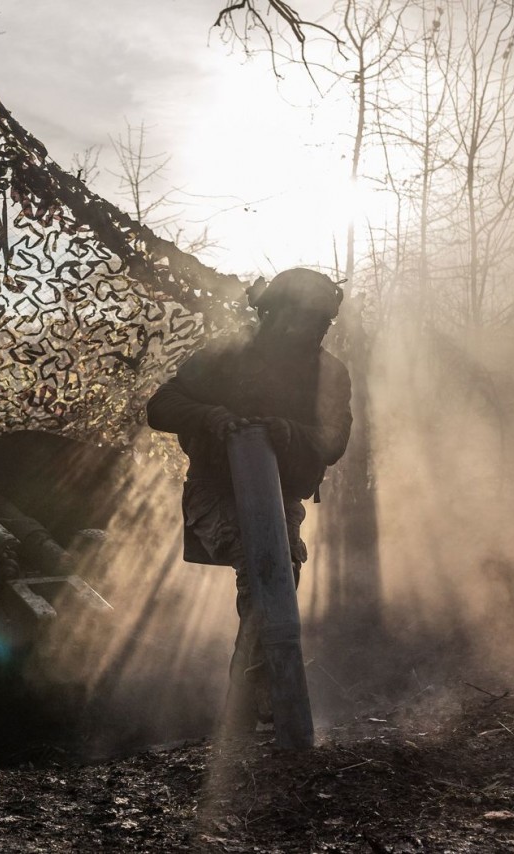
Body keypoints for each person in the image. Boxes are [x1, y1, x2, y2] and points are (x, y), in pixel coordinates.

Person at [146, 267, 353, 732]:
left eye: (324, 322)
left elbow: (334, 439)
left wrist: (289, 433)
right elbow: (159, 407)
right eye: (307, 319)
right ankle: (258, 695)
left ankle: (241, 714)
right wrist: (211, 416)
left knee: (280, 576)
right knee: (262, 568)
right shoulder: (228, 357)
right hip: (217, 493)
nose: (316, 330)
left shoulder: (329, 373)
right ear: (275, 314)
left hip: (280, 499)